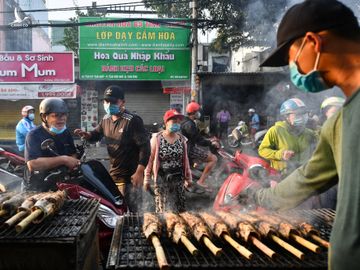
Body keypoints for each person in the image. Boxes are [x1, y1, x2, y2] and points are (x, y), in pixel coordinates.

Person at [242, 1, 360, 269]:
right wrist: (259, 196)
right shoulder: (337, 124)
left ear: (313, 42)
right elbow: (305, 180)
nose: (292, 68)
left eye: (291, 57)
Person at [74, 85, 150, 213]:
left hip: (130, 178)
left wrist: (139, 172)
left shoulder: (132, 120)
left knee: (133, 214)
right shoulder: (105, 119)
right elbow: (96, 135)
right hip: (113, 176)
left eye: (113, 101)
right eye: (106, 101)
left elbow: (145, 147)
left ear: (122, 102)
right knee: (117, 212)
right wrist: (87, 135)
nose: (109, 105)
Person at [24, 98, 80, 191]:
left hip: (61, 183)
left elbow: (72, 153)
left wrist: (73, 162)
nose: (62, 119)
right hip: (38, 186)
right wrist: (63, 159)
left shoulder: (65, 132)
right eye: (56, 115)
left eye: (64, 115)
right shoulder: (33, 135)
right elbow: (33, 164)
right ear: (44, 117)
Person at [144, 109, 192, 213]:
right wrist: (147, 179)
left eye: (179, 122)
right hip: (162, 179)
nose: (177, 124)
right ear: (166, 122)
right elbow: (150, 160)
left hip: (178, 179)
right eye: (174, 121)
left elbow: (186, 161)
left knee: (180, 210)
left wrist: (188, 178)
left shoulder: (182, 139)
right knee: (163, 210)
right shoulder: (157, 139)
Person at [258, 98, 317, 177]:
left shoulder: (309, 133)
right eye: (298, 114)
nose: (302, 117)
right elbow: (262, 150)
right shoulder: (275, 131)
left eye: (304, 113)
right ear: (286, 116)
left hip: (304, 175)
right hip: (282, 176)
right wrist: (280, 154)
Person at [181, 101, 219, 190]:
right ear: (194, 113)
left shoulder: (186, 121)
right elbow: (198, 140)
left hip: (186, 147)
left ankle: (193, 178)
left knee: (202, 156)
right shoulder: (189, 124)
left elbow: (197, 136)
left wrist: (209, 139)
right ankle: (201, 181)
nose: (199, 113)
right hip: (189, 149)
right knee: (213, 159)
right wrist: (211, 142)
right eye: (197, 111)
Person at [317, 96, 345, 210]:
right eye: (333, 112)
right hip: (328, 182)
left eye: (339, 112)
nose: (336, 116)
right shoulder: (321, 132)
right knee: (327, 213)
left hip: (345, 182)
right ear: (325, 115)